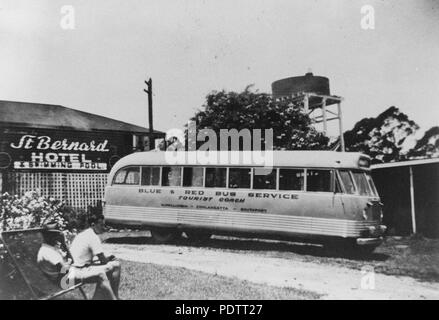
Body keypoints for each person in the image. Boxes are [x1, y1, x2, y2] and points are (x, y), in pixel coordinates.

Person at [69, 213, 121, 300]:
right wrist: (110, 259)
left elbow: (93, 258)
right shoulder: (92, 237)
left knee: (114, 265)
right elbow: (103, 261)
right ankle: (114, 297)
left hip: (75, 268)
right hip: (77, 270)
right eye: (101, 225)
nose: (103, 227)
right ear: (93, 224)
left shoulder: (85, 233)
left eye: (104, 225)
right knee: (115, 265)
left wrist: (108, 259)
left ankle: (113, 297)